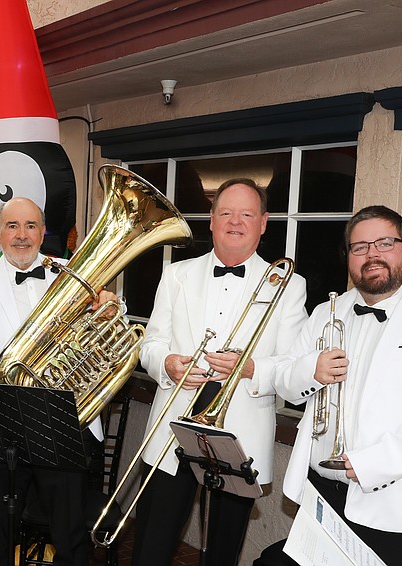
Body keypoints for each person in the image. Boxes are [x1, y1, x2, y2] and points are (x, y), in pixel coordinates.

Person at [255, 205, 402, 566]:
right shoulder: (326, 313)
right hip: (321, 488)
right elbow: (283, 381)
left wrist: (372, 463)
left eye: (384, 243)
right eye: (360, 247)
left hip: (394, 498)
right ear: (349, 259)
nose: (372, 254)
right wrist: (312, 371)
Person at [132, 178, 308, 566]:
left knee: (223, 550)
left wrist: (251, 367)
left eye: (246, 214)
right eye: (225, 213)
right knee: (152, 542)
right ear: (211, 220)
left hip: (240, 431)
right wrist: (166, 363)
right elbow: (150, 342)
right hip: (172, 424)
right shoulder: (177, 274)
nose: (235, 222)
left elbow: (295, 364)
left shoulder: (289, 285)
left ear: (263, 223)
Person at [0, 196, 116, 566]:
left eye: (31, 226)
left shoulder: (72, 274)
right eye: (12, 226)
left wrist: (109, 308)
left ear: (43, 232)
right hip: (2, 423)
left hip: (63, 420)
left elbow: (103, 328)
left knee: (70, 531)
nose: (22, 235)